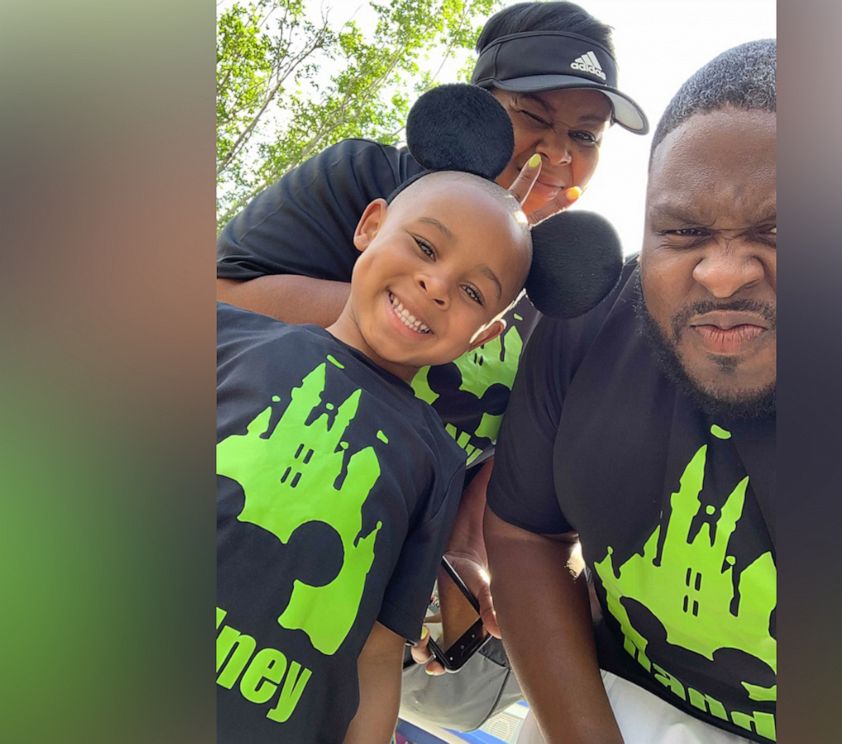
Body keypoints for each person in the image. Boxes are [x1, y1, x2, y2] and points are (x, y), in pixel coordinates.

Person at [216, 0, 647, 730]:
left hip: (402, 554)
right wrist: (422, 312)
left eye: (584, 135)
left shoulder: (565, 299)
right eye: (532, 116)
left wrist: (464, 556)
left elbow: (507, 462)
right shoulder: (364, 178)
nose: (557, 151)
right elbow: (212, 298)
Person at [484, 39, 777, 744]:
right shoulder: (586, 321)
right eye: (684, 232)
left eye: (778, 229)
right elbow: (525, 532)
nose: (724, 274)